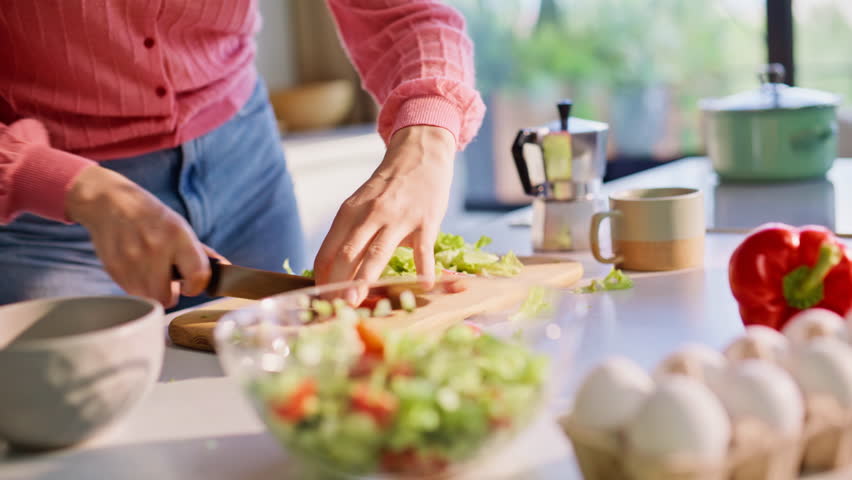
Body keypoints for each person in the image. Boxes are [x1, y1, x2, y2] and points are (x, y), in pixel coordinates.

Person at [0, 0, 485, 309]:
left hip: (244, 167)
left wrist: (428, 137)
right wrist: (72, 186)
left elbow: (406, 13)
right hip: (48, 212)